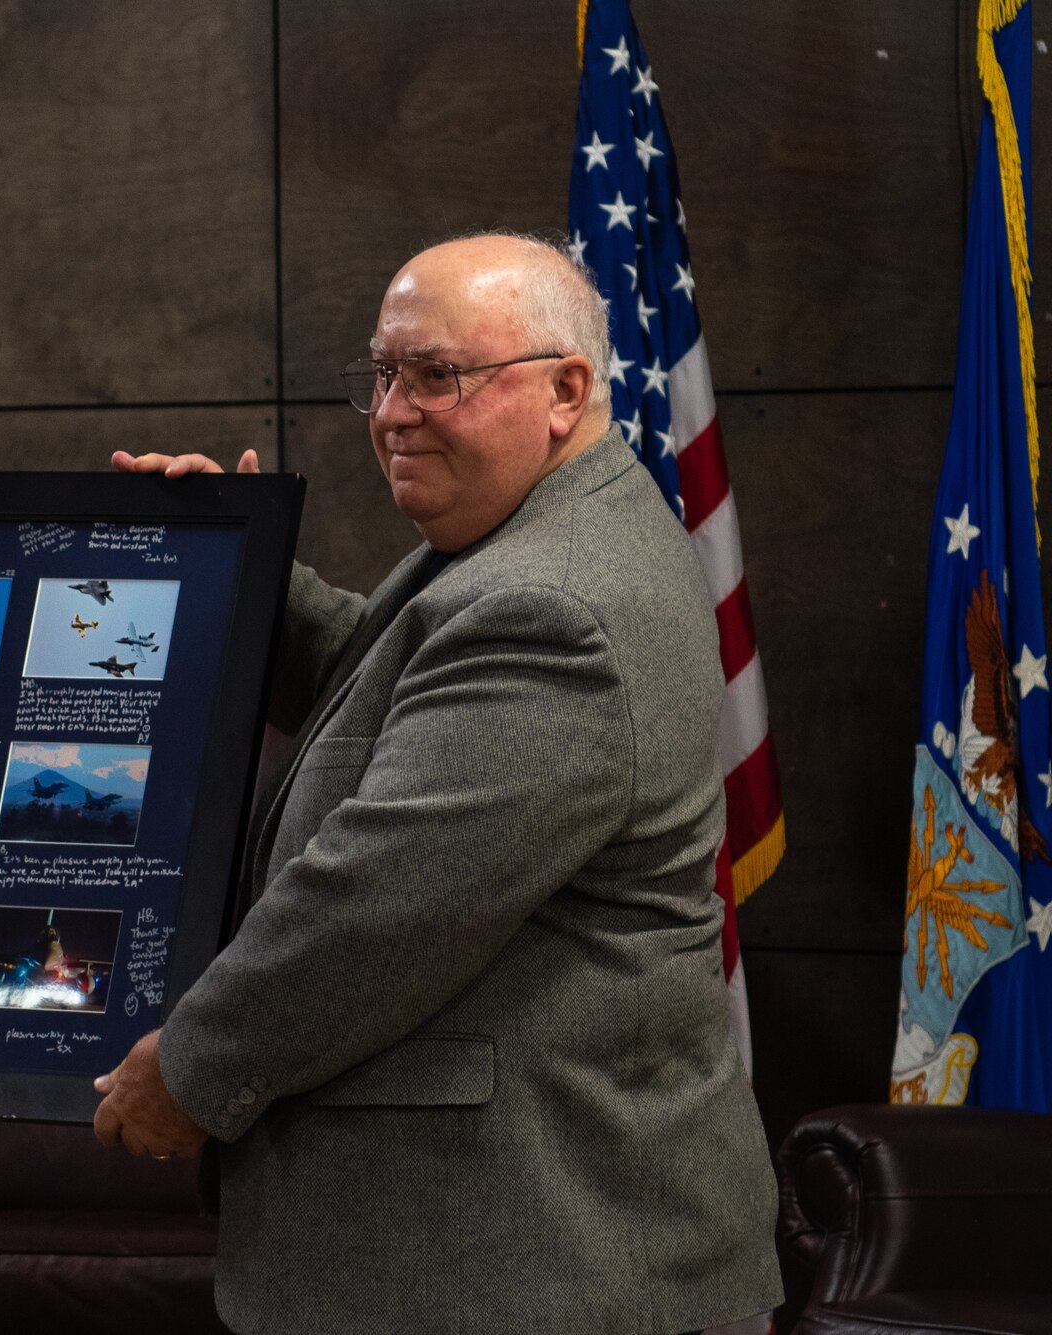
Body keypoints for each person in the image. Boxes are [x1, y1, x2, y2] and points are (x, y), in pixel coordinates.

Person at [94, 233, 782, 1334]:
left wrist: (189, 1071)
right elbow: (392, 700)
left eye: (436, 376)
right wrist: (236, 574)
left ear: (563, 389)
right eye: (382, 373)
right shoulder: (529, 540)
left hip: (532, 1272)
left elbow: (373, 907)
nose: (392, 412)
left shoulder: (551, 601)